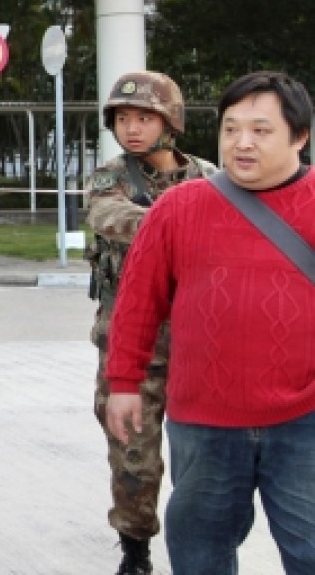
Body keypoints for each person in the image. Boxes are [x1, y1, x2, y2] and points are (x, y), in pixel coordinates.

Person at [105, 71, 315, 575]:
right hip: (204, 423)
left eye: (261, 131)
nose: (242, 144)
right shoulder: (178, 208)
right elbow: (137, 302)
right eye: (230, 128)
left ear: (300, 137)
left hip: (305, 420)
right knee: (199, 552)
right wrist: (124, 382)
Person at [85, 71, 216, 575]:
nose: (132, 128)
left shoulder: (208, 176)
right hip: (131, 340)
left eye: (144, 118)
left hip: (200, 338)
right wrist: (179, 220)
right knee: (133, 452)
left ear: (170, 121)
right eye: (122, 118)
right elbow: (110, 216)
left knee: (204, 453)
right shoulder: (110, 176)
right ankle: (135, 546)